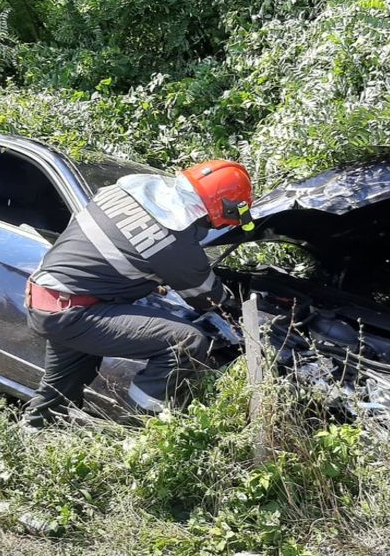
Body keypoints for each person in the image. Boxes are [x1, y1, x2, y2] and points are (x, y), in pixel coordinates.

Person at [23, 160, 254, 427]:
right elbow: (208, 299)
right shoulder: (172, 237)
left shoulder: (127, 190)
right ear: (222, 207)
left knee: (62, 384)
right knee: (186, 342)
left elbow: (112, 247)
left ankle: (35, 431)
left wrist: (140, 279)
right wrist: (236, 306)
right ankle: (138, 431)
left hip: (51, 298)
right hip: (76, 311)